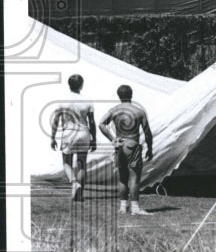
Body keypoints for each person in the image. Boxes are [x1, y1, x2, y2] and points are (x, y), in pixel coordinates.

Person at [99, 85, 154, 216]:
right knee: (134, 178)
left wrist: (113, 139)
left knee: (122, 178)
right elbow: (147, 132)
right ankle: (135, 208)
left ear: (119, 96)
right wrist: (150, 149)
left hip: (119, 144)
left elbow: (101, 124)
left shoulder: (114, 110)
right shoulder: (138, 111)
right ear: (131, 94)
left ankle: (123, 207)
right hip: (132, 144)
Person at [49, 74, 96, 202]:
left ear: (69, 84)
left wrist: (53, 137)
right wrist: (94, 139)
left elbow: (56, 120)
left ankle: (74, 182)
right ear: (81, 85)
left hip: (69, 133)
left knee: (66, 163)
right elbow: (91, 122)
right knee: (81, 164)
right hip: (84, 132)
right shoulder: (87, 100)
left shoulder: (62, 100)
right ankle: (80, 196)